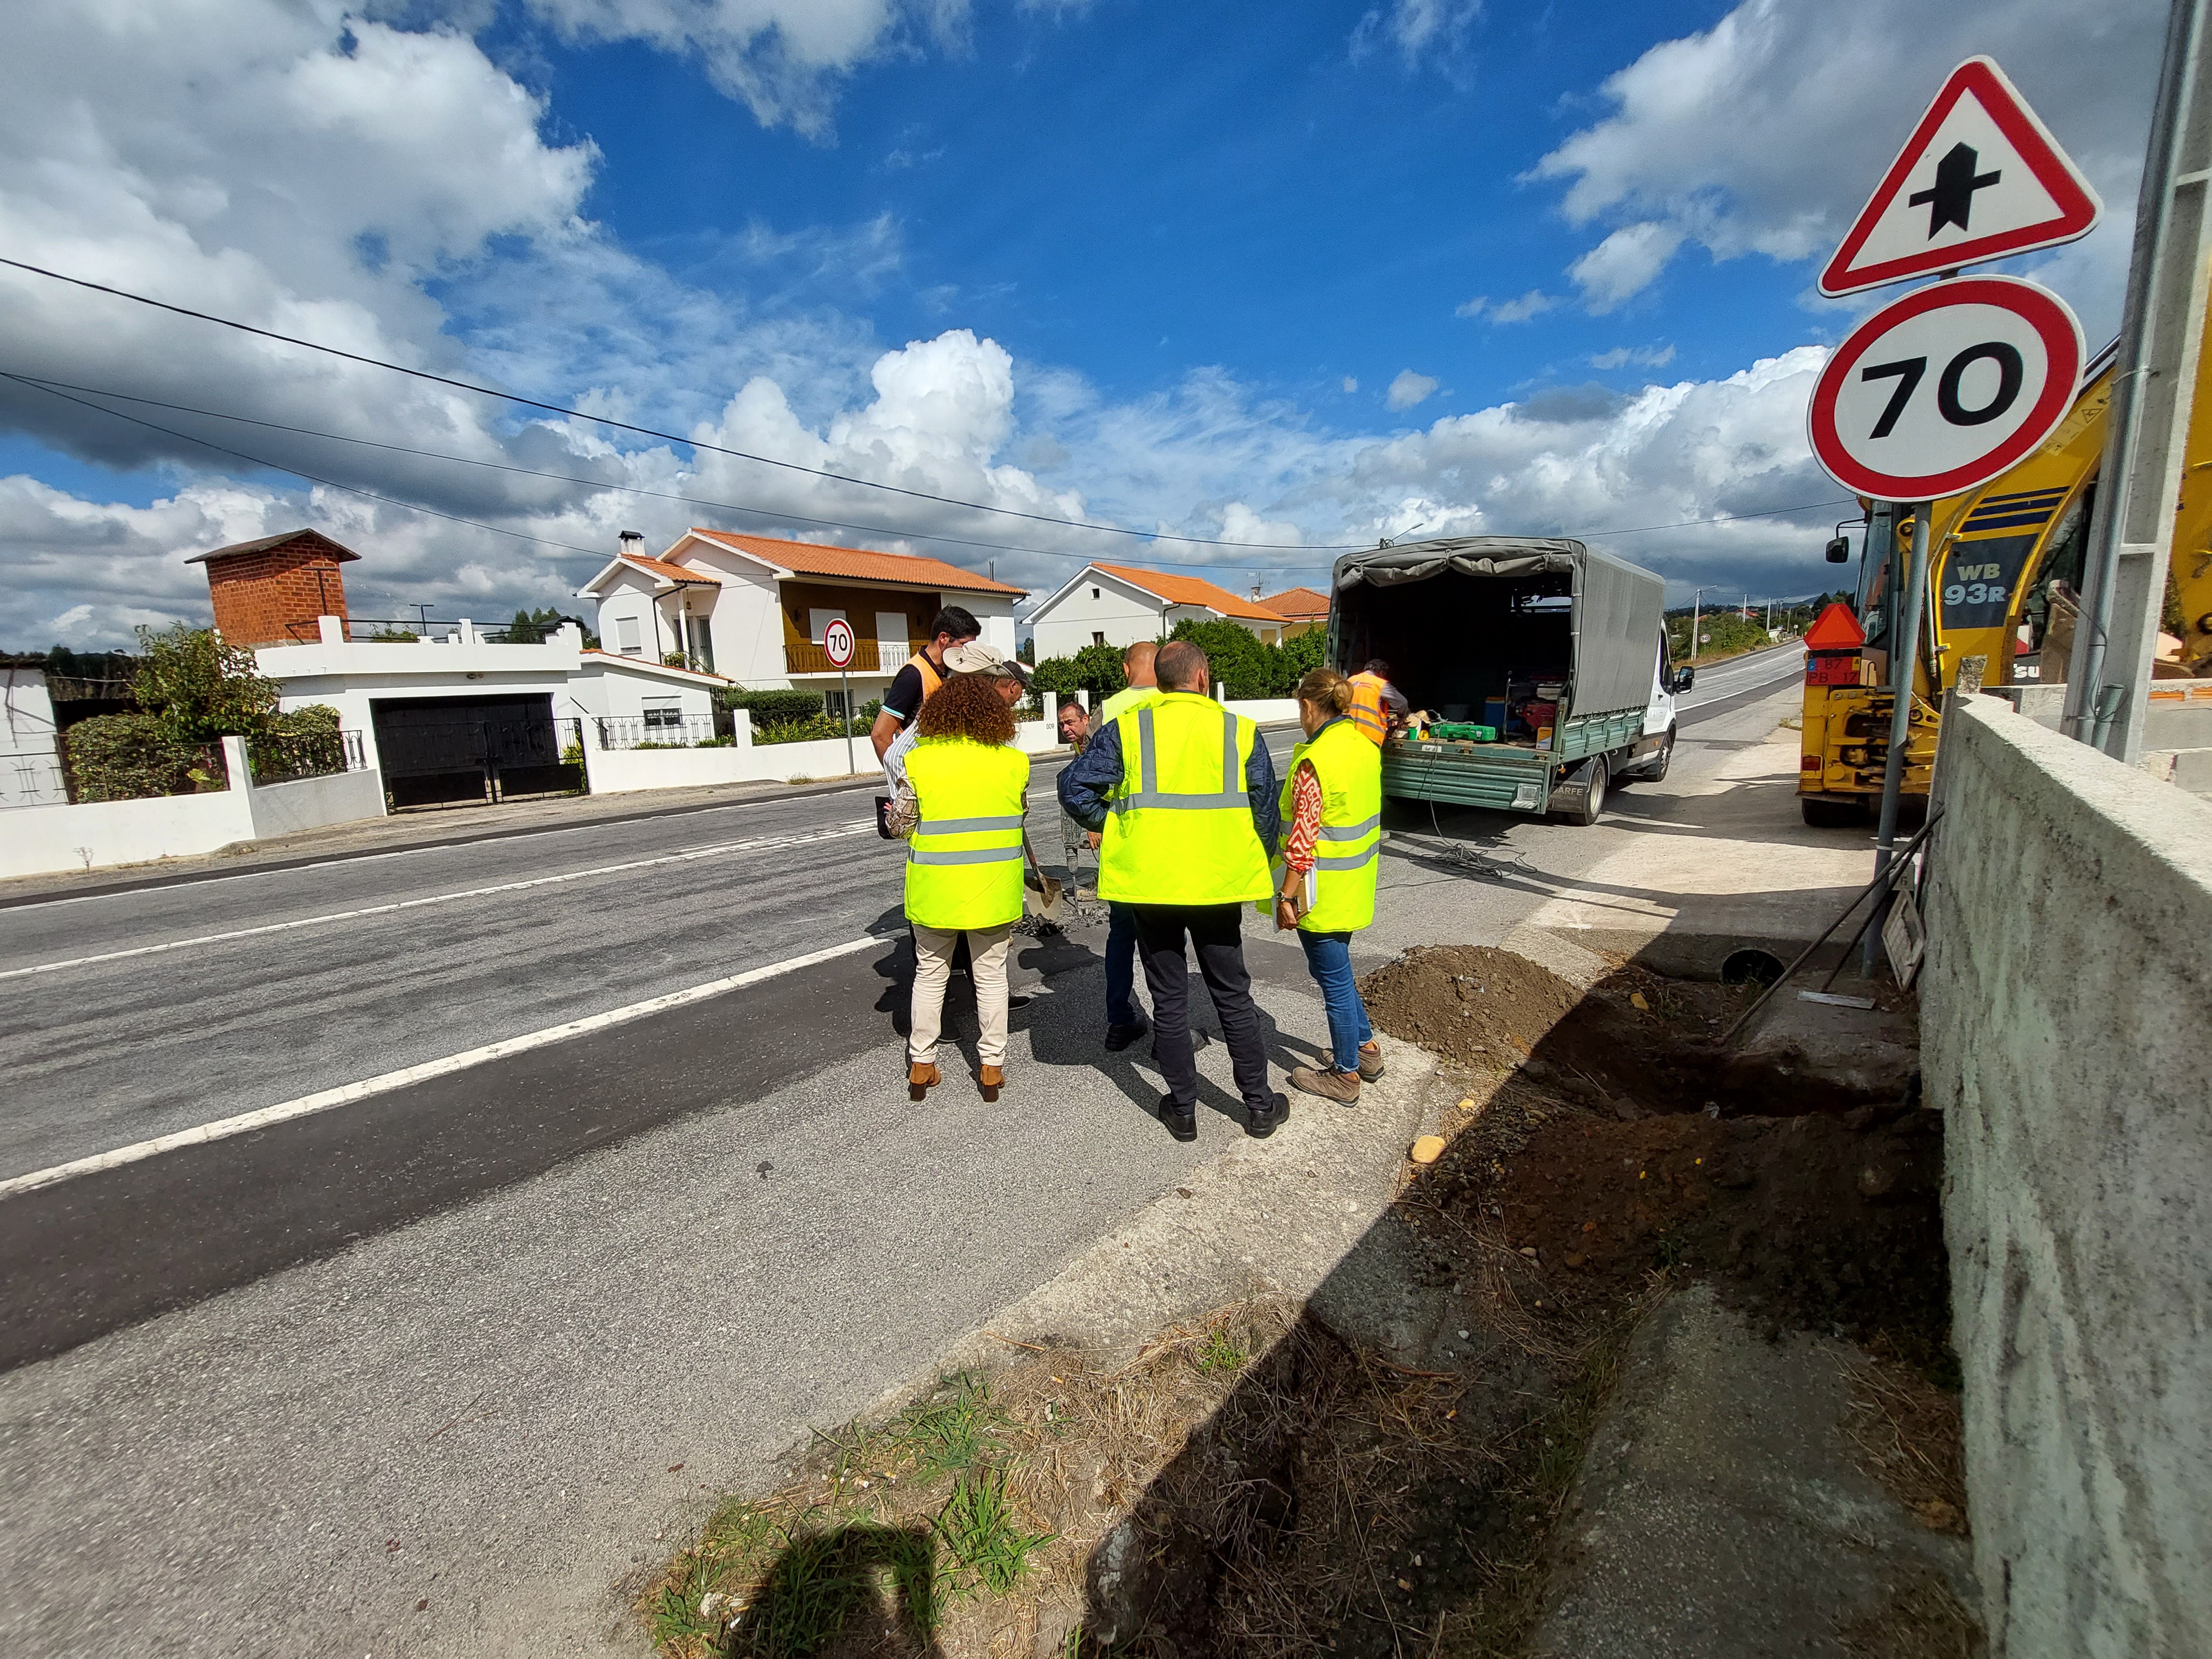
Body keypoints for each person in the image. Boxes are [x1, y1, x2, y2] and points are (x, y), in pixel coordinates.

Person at [1059, 640, 1287, 1142]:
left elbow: (1074, 789)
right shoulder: (1239, 731)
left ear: (1160, 681)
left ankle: (1183, 1110)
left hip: (1153, 882)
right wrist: (1245, 854)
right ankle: (1260, 1106)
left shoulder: (1128, 728)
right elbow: (1266, 812)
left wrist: (1117, 829)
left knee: (1169, 996)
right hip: (1217, 882)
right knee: (1233, 993)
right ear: (1204, 678)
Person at [899, 665, 1030, 1105]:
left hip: (935, 889)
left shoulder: (919, 760)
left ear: (938, 713)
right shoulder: (1015, 763)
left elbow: (900, 824)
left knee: (930, 973)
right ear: (994, 715)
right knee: (991, 976)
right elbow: (1020, 814)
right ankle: (991, 1068)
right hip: (994, 888)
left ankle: (922, 1062)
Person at [1270, 667, 1386, 1103]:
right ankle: (1366, 1049)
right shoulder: (1363, 746)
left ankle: (1346, 1074)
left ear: (1307, 706)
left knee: (1334, 981)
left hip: (1319, 890)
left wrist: (1287, 894)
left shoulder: (1315, 760)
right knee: (1334, 972)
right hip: (1353, 883)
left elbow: (1303, 835)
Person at [1084, 640, 1160, 1049]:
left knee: (1121, 933)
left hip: (1126, 838)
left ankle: (1120, 1020)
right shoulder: (1178, 704)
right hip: (1171, 844)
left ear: (1127, 669)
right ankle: (1172, 1028)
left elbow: (1087, 778)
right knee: (1167, 938)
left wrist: (1100, 823)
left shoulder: (1108, 710)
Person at [872, 606, 981, 764]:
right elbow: (880, 735)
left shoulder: (952, 672)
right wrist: (901, 779)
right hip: (921, 776)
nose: (967, 652)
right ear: (943, 638)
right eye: (964, 645)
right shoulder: (912, 675)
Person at [1347, 658, 1409, 746]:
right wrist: (1401, 719)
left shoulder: (1350, 681)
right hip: (1370, 737)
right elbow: (1402, 703)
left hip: (1348, 733)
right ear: (1381, 673)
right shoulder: (1380, 684)